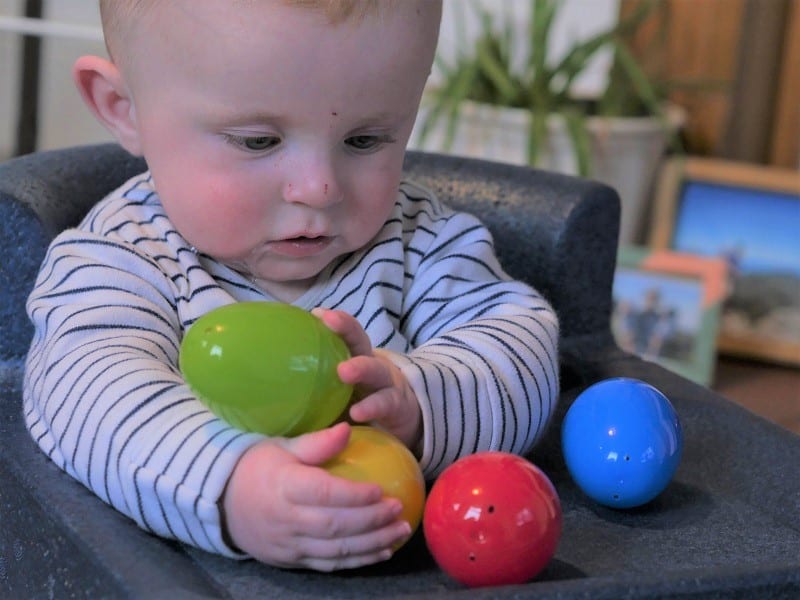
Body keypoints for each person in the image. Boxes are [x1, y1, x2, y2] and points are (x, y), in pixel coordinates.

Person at [23, 0, 559, 573]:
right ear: (124, 108)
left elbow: (522, 351)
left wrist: (419, 401)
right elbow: (84, 392)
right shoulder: (124, 257)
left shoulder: (418, 242)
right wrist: (228, 485)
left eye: (366, 140)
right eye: (258, 141)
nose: (319, 187)